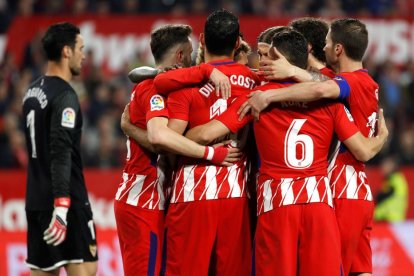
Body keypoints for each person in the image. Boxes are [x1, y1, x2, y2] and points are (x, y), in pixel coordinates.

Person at [185, 28, 388, 276]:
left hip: (277, 203)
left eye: (266, 56)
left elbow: (205, 134)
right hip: (319, 205)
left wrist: (184, 140)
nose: (262, 62)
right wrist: (381, 139)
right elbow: (363, 150)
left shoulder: (257, 98)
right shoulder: (330, 103)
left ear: (278, 60)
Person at [239, 19, 380, 276]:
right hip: (357, 188)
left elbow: (321, 87)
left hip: (334, 188)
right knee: (360, 270)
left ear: (337, 48)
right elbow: (318, 79)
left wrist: (270, 93)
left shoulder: (345, 85)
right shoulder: (356, 84)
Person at [114, 24, 239, 276]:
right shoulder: (153, 90)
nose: (195, 59)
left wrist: (128, 126)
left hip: (156, 197)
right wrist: (210, 154)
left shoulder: (162, 84)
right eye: (191, 53)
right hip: (142, 199)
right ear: (181, 56)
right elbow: (159, 139)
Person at [152, 9, 260, 275]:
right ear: (237, 44)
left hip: (191, 192)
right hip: (236, 192)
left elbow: (167, 141)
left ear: (201, 40)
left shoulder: (184, 84)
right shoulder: (256, 84)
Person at [22, 22, 97, 275]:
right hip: (66, 200)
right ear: (67, 51)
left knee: (43, 271)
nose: (83, 55)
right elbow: (60, 151)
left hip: (35, 199)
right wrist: (63, 206)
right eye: (81, 48)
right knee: (87, 269)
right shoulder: (66, 96)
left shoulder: (31, 91)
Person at [374, 156, 408, 222]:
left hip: (388, 218)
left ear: (393, 166)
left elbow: (383, 196)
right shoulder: (394, 179)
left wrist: (377, 195)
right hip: (392, 218)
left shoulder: (395, 180)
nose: (383, 168)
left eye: (386, 165)